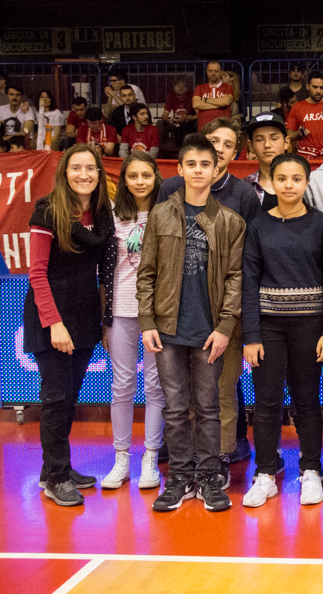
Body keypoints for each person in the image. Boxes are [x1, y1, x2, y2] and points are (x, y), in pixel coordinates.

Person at [137, 133, 246, 513]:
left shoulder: (230, 221)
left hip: (209, 331)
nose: (199, 171)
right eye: (192, 164)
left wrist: (225, 327)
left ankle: (208, 475)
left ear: (217, 170)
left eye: (206, 164)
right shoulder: (160, 214)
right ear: (179, 169)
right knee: (175, 407)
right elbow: (146, 272)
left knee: (209, 406)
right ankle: (180, 477)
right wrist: (147, 320)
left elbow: (235, 278)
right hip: (167, 329)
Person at [159, 119, 259, 477]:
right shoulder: (170, 189)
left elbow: (245, 261)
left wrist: (235, 316)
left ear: (233, 154)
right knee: (181, 396)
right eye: (212, 140)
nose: (218, 148)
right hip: (177, 312)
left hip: (222, 312)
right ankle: (185, 464)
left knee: (220, 392)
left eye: (227, 144)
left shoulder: (244, 196)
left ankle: (218, 459)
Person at [240, 153, 323, 508]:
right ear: (271, 182)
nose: (289, 185)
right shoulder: (259, 226)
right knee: (266, 403)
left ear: (307, 183)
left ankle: (310, 470)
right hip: (268, 326)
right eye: (282, 178)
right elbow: (249, 282)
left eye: (296, 179)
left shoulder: (321, 223)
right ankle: (265, 475)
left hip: (310, 326)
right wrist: (251, 335)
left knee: (307, 401)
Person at [25, 144, 114, 506]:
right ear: (64, 173)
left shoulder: (100, 214)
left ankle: (54, 467)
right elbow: (36, 273)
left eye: (90, 168)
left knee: (70, 398)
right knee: (55, 399)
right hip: (53, 317)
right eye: (76, 168)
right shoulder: (47, 211)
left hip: (83, 313)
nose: (84, 174)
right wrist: (54, 323)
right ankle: (56, 477)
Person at [99, 151, 165, 491]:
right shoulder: (111, 216)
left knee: (156, 387)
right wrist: (103, 318)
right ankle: (121, 457)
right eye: (132, 176)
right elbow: (104, 271)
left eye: (146, 175)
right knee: (122, 386)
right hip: (122, 310)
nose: (140, 182)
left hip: (158, 314)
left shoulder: (166, 211)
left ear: (156, 177)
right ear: (123, 181)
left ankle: (150, 456)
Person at [286, 71, 323, 160]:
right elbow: (289, 136)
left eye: (321, 88)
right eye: (315, 87)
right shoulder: (297, 107)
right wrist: (300, 133)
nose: (318, 91)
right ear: (307, 86)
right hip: (305, 158)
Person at [193, 61, 234, 130]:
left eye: (216, 71)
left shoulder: (228, 87)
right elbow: (196, 104)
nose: (212, 73)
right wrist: (220, 104)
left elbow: (226, 102)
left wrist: (206, 100)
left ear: (221, 72)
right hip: (203, 129)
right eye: (210, 71)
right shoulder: (199, 88)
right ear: (206, 72)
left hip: (223, 129)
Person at [161, 81, 198, 153]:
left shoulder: (192, 95)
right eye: (178, 95)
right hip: (176, 122)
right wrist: (169, 120)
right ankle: (164, 150)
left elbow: (199, 115)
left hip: (190, 121)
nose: (180, 97)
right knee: (161, 123)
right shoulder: (171, 96)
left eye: (183, 95)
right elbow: (164, 115)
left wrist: (188, 118)